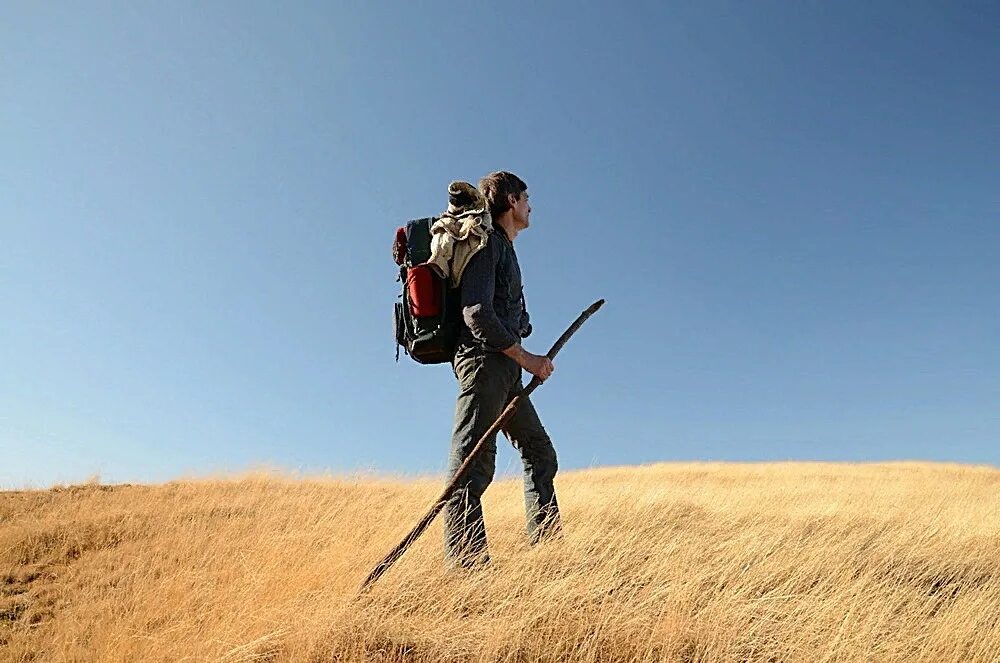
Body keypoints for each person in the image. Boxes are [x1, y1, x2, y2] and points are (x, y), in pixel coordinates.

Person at [443, 171, 560, 568]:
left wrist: (520, 332)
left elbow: (501, 313)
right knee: (471, 467)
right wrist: (527, 359)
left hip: (504, 368)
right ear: (511, 200)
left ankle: (548, 553)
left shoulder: (506, 249)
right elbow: (476, 314)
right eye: (526, 197)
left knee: (539, 452)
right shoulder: (488, 243)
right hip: (483, 364)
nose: (530, 206)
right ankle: (468, 574)